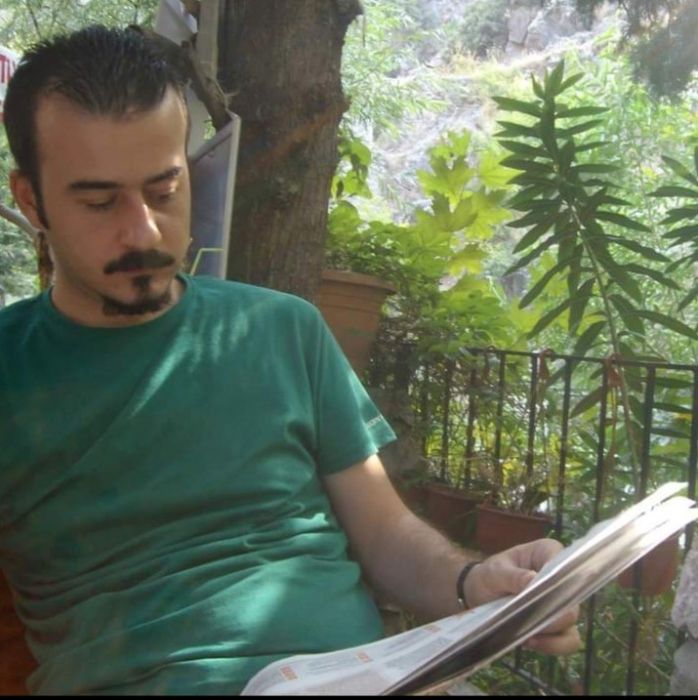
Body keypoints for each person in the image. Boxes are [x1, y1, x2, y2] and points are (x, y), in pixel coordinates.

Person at [0, 25, 580, 695]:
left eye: (164, 191)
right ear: (31, 200)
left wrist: (474, 582)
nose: (143, 230)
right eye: (100, 202)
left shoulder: (282, 329)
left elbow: (386, 534)